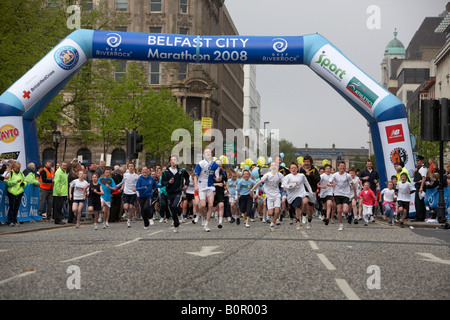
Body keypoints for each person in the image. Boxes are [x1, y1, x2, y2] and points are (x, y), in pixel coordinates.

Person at [251, 162, 284, 232]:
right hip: (269, 196)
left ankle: (272, 224)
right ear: (270, 167)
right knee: (270, 213)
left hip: (277, 195)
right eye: (272, 166)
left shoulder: (279, 175)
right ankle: (273, 219)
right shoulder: (267, 175)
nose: (274, 167)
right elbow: (259, 182)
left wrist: (289, 186)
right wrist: (252, 189)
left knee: (277, 211)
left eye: (275, 165)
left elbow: (285, 182)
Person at [160, 155, 190, 232]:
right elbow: (163, 182)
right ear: (170, 161)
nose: (173, 161)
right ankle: (176, 223)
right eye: (172, 160)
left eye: (175, 160)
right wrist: (168, 182)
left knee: (174, 205)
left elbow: (187, 177)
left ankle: (178, 217)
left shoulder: (181, 170)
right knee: (171, 208)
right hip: (169, 192)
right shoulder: (166, 172)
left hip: (178, 192)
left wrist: (186, 184)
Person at [193, 148, 220, 232]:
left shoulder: (215, 165)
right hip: (201, 187)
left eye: (209, 152)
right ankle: (203, 217)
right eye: (206, 152)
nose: (208, 153)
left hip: (210, 186)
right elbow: (195, 175)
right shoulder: (201, 163)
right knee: (203, 205)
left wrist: (218, 179)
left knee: (211, 205)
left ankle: (207, 224)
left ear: (211, 154)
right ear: (204, 154)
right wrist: (196, 186)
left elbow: (216, 177)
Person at [282, 162, 314, 230]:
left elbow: (307, 184)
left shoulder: (301, 176)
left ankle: (303, 215)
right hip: (292, 195)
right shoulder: (288, 177)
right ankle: (298, 220)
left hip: (302, 193)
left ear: (297, 169)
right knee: (297, 207)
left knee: (305, 202)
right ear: (290, 169)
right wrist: (292, 185)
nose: (293, 169)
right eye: (292, 168)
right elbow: (283, 185)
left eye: (295, 168)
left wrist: (311, 192)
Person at [328, 161, 356, 231]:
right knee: (339, 210)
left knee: (345, 210)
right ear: (338, 167)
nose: (342, 167)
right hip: (337, 194)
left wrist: (355, 194)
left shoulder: (348, 175)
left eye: (343, 166)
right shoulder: (334, 175)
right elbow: (328, 183)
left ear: (345, 167)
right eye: (341, 166)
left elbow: (353, 184)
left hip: (345, 194)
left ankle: (349, 213)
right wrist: (331, 184)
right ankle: (341, 224)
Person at [299, 155, 320, 229]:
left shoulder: (314, 170)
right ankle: (304, 215)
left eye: (308, 161)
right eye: (305, 161)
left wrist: (310, 175)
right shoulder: (301, 170)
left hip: (312, 190)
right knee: (304, 202)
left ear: (311, 162)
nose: (306, 163)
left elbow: (318, 179)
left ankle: (309, 220)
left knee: (310, 207)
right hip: (303, 190)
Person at [6, 162, 27, 227]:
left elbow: (25, 180)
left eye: (19, 168)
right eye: (17, 168)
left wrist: (23, 184)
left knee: (16, 208)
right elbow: (8, 183)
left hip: (19, 192)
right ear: (14, 167)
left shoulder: (21, 174)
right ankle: (10, 221)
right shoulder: (10, 173)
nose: (18, 170)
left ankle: (15, 220)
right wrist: (15, 182)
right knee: (12, 207)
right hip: (12, 192)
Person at [120, 163, 139, 228]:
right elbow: (123, 182)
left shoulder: (136, 176)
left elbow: (137, 184)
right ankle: (125, 213)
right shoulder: (125, 175)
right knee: (125, 207)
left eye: (132, 166)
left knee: (131, 207)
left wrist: (136, 189)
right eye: (129, 166)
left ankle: (128, 220)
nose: (131, 167)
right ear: (127, 167)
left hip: (133, 193)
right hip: (126, 192)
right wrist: (120, 188)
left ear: (133, 167)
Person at [212, 160, 227, 229]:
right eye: (218, 166)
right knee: (214, 207)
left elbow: (226, 180)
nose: (220, 167)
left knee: (221, 205)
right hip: (212, 191)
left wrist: (226, 188)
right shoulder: (211, 173)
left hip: (220, 191)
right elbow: (208, 183)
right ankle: (215, 212)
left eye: (221, 166)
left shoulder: (223, 173)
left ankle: (220, 221)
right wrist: (216, 184)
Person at [413, 155, 427, 221]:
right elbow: (414, 176)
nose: (417, 162)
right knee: (418, 202)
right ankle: (419, 216)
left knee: (419, 202)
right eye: (417, 160)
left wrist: (421, 187)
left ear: (421, 161)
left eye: (418, 161)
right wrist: (415, 171)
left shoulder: (423, 168)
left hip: (420, 185)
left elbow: (424, 178)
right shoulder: (418, 168)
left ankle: (420, 217)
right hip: (417, 185)